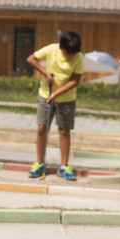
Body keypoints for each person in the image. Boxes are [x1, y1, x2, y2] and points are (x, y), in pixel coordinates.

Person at [25, 30, 84, 180]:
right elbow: (31, 59)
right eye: (67, 53)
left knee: (64, 130)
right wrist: (45, 73)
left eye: (73, 54)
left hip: (66, 98)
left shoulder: (78, 57)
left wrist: (57, 94)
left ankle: (64, 166)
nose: (70, 56)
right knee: (42, 128)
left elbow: (75, 81)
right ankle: (39, 163)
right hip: (45, 94)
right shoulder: (52, 49)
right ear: (61, 47)